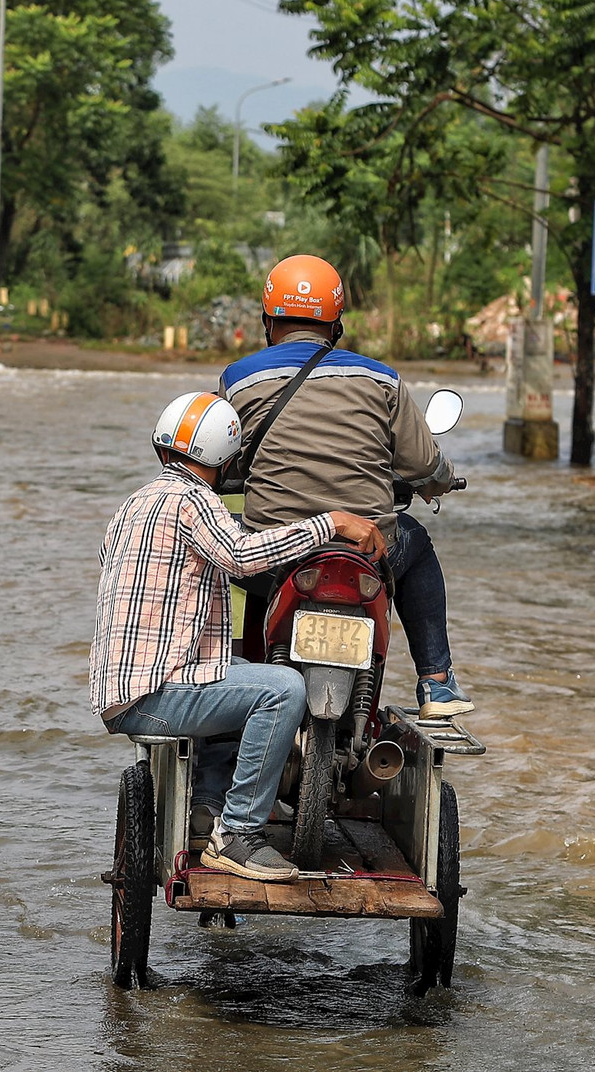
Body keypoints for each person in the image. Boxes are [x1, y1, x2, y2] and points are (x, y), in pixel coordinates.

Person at [92, 391, 384, 881]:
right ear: (226, 460)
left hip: (126, 688)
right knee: (283, 689)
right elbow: (242, 556)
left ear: (164, 449)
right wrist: (331, 522)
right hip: (154, 694)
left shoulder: (135, 502)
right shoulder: (192, 501)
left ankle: (208, 801)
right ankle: (237, 835)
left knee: (246, 673)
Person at [219, 254, 475, 719]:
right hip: (366, 549)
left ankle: (205, 664)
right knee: (416, 543)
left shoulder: (238, 380)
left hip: (272, 553)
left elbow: (219, 453)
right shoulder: (382, 378)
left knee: (210, 549)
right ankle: (436, 684)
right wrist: (439, 482)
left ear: (267, 320)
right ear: (336, 325)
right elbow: (422, 462)